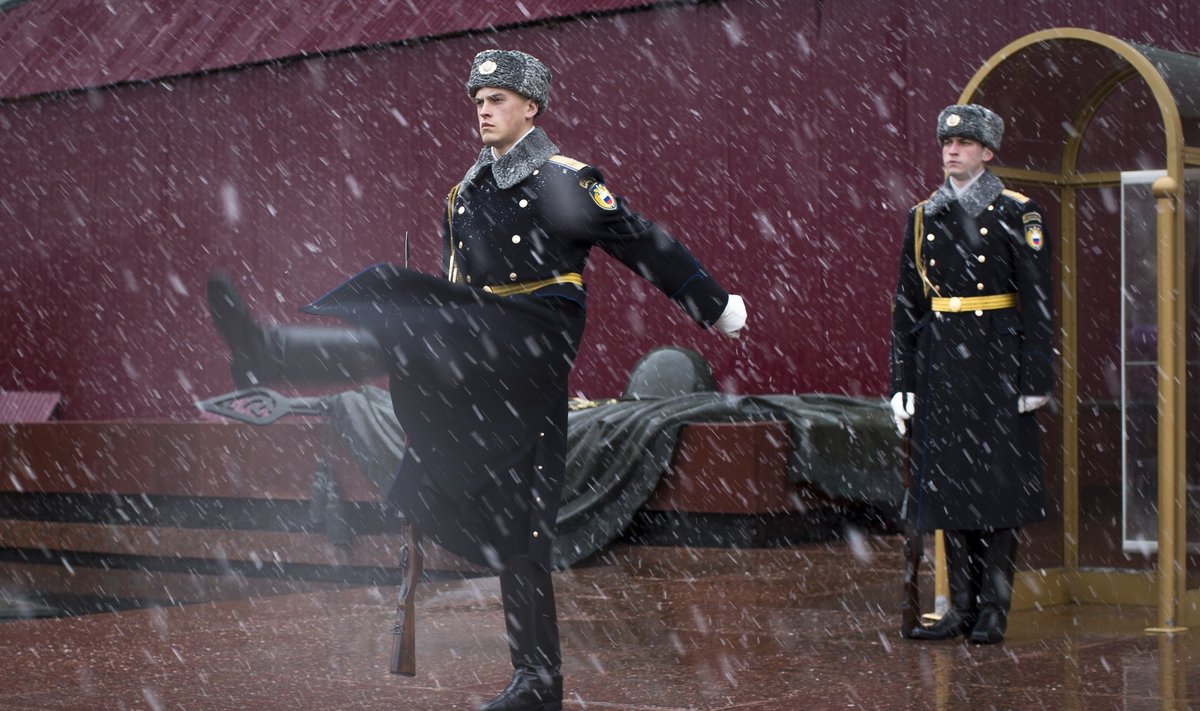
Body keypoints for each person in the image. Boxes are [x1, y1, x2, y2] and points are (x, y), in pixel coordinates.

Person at [210, 49, 745, 711]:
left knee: (403, 312)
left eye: (497, 98)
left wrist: (715, 306)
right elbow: (455, 294)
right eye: (478, 100)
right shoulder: (464, 197)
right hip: (484, 355)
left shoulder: (565, 181)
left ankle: (274, 351)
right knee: (523, 525)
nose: (484, 110)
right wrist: (431, 390)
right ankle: (536, 681)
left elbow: (643, 243)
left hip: (535, 341)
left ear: (531, 107)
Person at [888, 104, 1053, 645]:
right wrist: (901, 384)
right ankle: (959, 607)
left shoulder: (1016, 212)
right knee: (951, 490)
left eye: (962, 144)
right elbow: (908, 309)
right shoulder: (923, 217)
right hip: (941, 366)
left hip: (997, 366)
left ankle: (992, 611)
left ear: (987, 152)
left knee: (998, 494)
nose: (950, 151)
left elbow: (1038, 302)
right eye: (945, 144)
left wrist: (1036, 379)